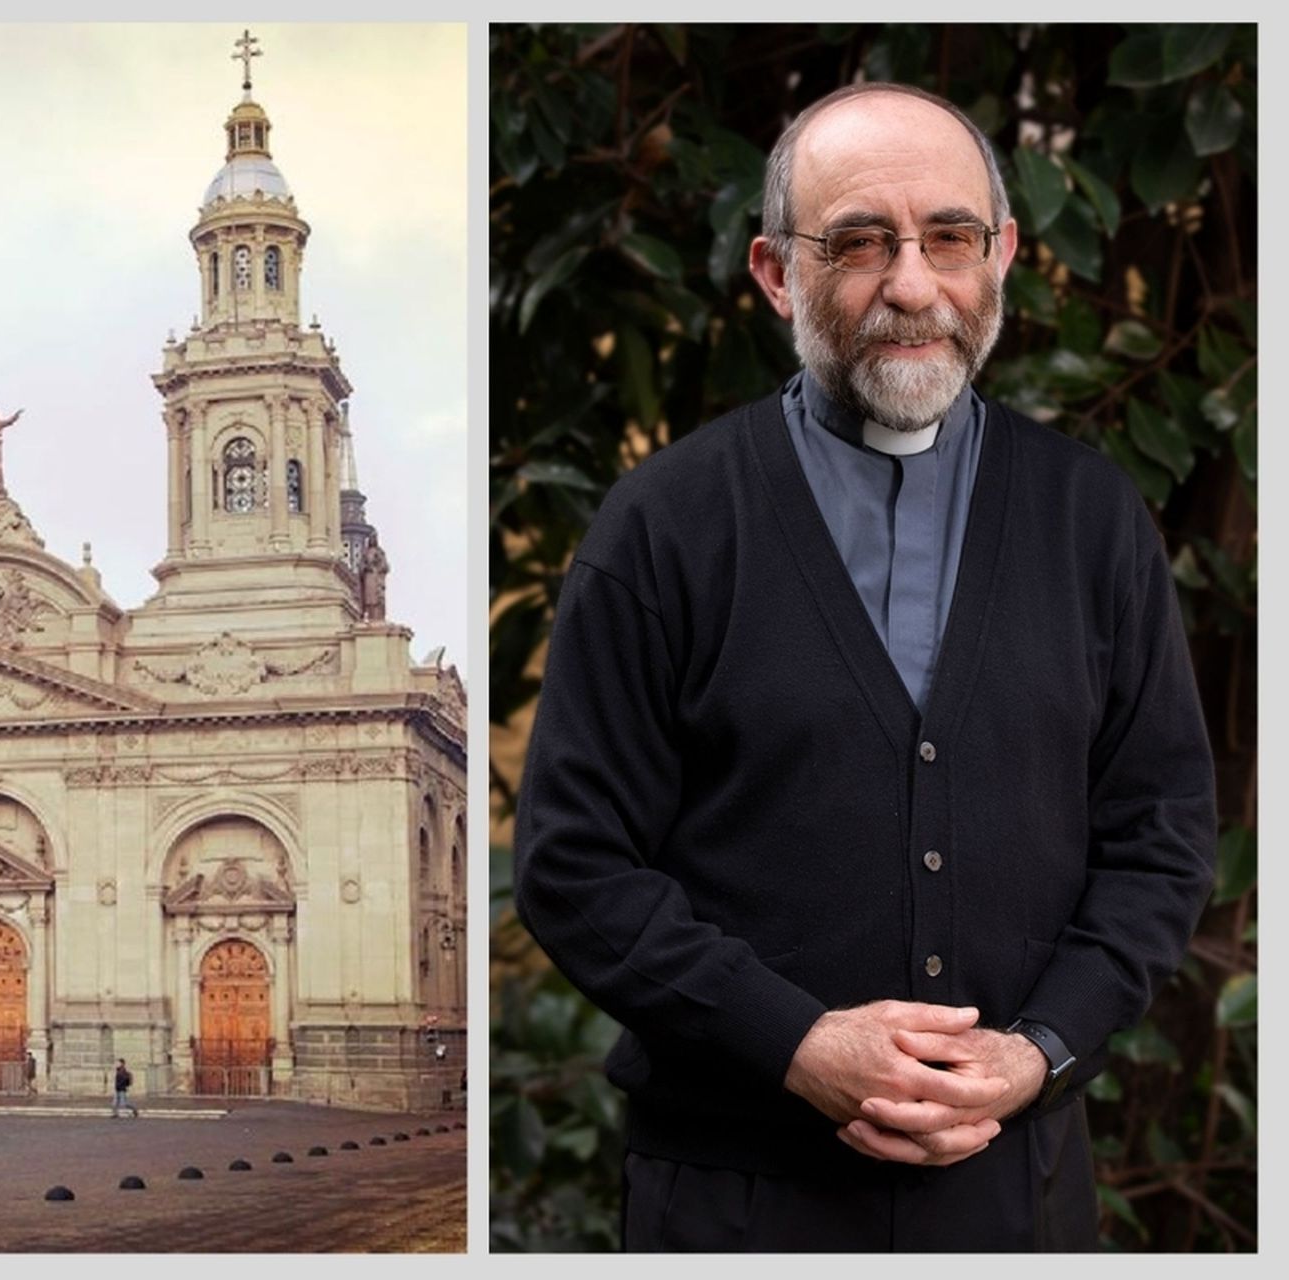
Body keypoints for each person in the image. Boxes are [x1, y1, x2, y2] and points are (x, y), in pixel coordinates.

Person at [513, 81, 1216, 1253]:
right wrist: (794, 1042)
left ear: (1000, 256)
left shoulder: (1092, 519)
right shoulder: (662, 528)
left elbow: (1163, 835)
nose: (910, 284)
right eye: (857, 243)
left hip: (1020, 1204)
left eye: (947, 237)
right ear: (776, 274)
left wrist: (1034, 1052)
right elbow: (575, 864)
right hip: (733, 1203)